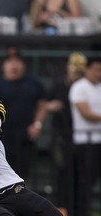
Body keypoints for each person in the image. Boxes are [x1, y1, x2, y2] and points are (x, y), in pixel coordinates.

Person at [0, 47, 48, 181]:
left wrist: (37, 125)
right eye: (10, 62)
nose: (13, 65)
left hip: (25, 136)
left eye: (17, 61)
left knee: (23, 175)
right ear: (4, 65)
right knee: (2, 174)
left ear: (23, 65)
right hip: (1, 137)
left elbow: (42, 105)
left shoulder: (33, 83)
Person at [46, 51, 86, 215]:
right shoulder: (59, 85)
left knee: (81, 176)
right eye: (73, 69)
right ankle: (62, 210)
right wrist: (51, 106)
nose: (74, 73)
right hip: (61, 137)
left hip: (79, 137)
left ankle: (78, 210)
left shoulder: (84, 87)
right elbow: (45, 104)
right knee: (61, 174)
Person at [69, 58, 101, 216]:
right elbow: (85, 112)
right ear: (87, 69)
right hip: (85, 141)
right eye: (95, 69)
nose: (98, 73)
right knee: (85, 181)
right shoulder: (79, 87)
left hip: (98, 139)